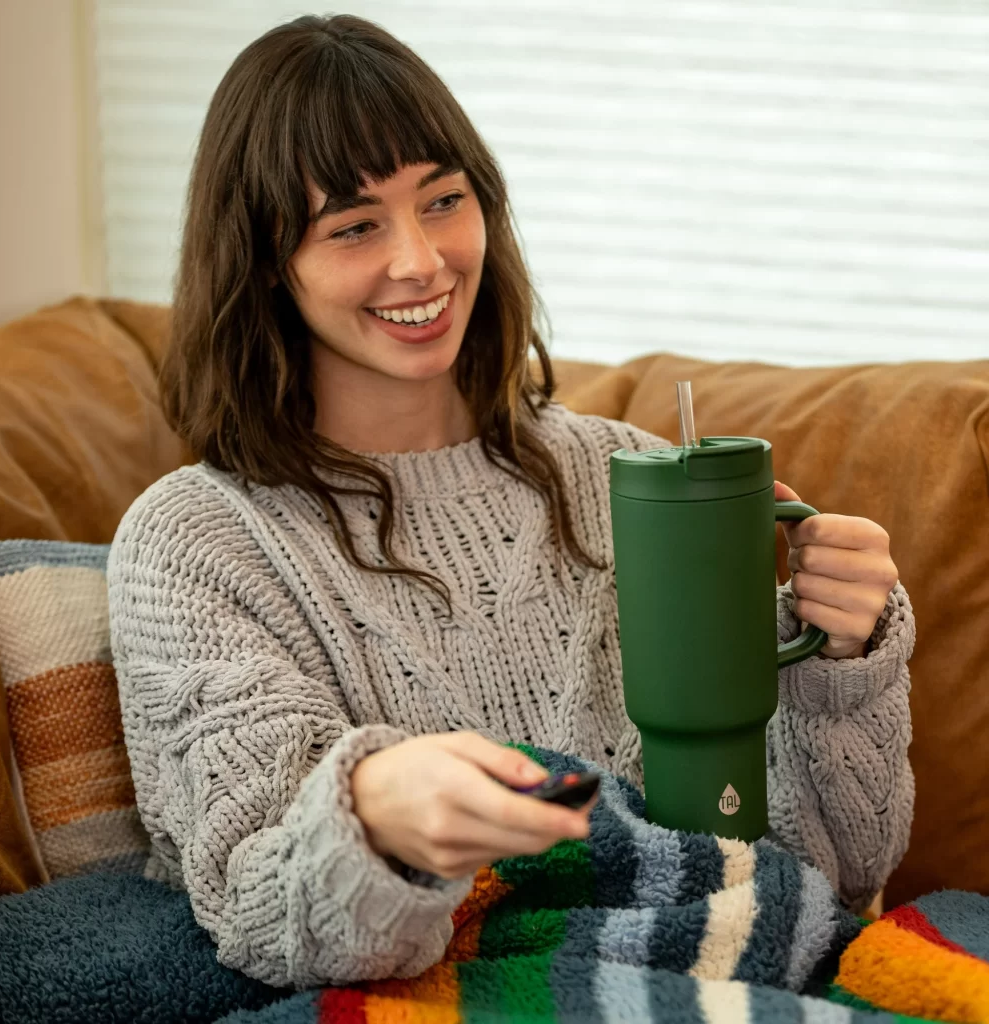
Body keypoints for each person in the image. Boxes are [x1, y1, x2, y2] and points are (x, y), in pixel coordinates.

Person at [106, 14, 915, 991]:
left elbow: (829, 868)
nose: (420, 261)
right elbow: (263, 915)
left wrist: (846, 656)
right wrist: (373, 820)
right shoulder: (196, 544)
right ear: (266, 260)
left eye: (442, 201)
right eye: (355, 225)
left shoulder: (634, 479)